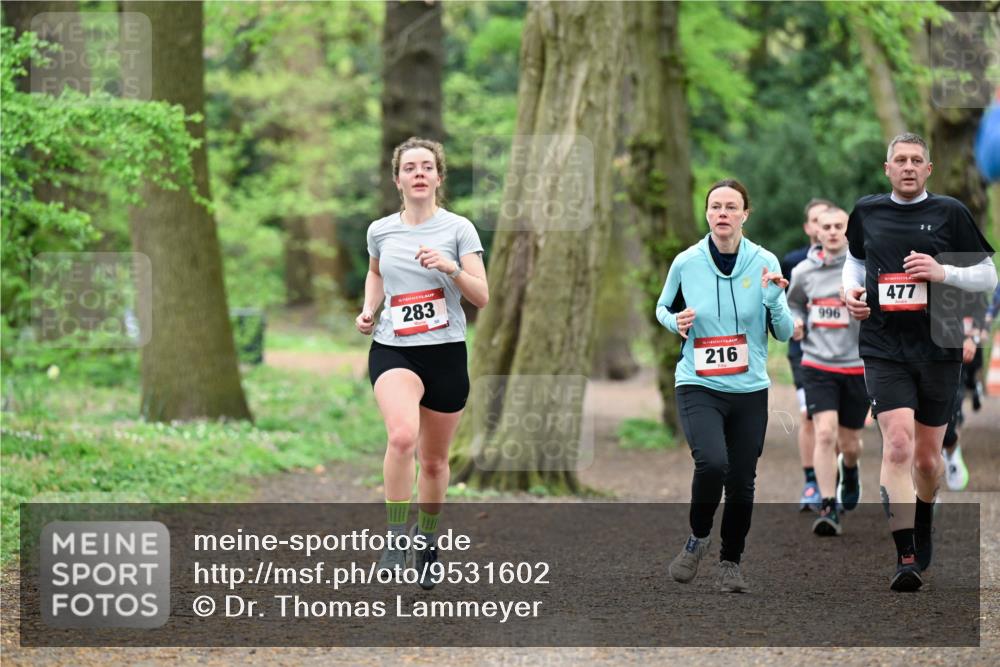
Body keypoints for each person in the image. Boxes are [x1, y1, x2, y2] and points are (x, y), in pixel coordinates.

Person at [843, 132, 997, 592]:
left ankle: (924, 514)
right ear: (887, 168)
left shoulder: (950, 212)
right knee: (897, 445)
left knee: (928, 461)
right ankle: (905, 553)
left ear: (928, 169)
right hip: (883, 345)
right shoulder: (867, 212)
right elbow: (854, 262)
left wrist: (941, 272)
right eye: (900, 160)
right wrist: (849, 293)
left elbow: (988, 275)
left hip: (939, 347)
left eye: (916, 160)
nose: (908, 167)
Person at [356, 137, 489, 590]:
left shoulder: (459, 229)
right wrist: (369, 309)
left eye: (426, 167)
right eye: (409, 167)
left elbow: (482, 296)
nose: (418, 173)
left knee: (433, 463)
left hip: (446, 352)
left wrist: (451, 268)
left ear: (438, 177)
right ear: (397, 179)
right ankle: (396, 536)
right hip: (394, 348)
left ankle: (427, 541)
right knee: (401, 436)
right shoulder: (380, 231)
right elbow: (375, 273)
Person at [657, 179, 794, 593]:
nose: (722, 213)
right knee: (712, 462)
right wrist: (675, 321)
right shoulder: (686, 262)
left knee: (741, 482)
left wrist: (774, 300)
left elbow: (785, 332)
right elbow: (662, 306)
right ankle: (698, 537)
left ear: (744, 214)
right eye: (715, 206)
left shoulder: (765, 261)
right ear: (707, 213)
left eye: (731, 207)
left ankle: (730, 562)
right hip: (698, 382)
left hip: (749, 388)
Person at [786, 207, 866, 536]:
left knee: (850, 443)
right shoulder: (804, 271)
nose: (832, 231)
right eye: (826, 226)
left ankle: (850, 469)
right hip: (817, 363)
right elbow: (793, 302)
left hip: (856, 365)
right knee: (824, 433)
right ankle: (828, 506)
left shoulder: (862, 269)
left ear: (849, 230)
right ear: (816, 231)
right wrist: (797, 321)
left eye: (839, 226)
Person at [781, 199, 833, 511]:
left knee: (837, 421)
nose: (822, 226)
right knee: (808, 414)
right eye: (816, 220)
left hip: (841, 353)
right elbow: (782, 304)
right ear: (808, 227)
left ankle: (839, 474)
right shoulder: (792, 261)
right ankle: (812, 482)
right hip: (803, 350)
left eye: (828, 220)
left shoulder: (851, 261)